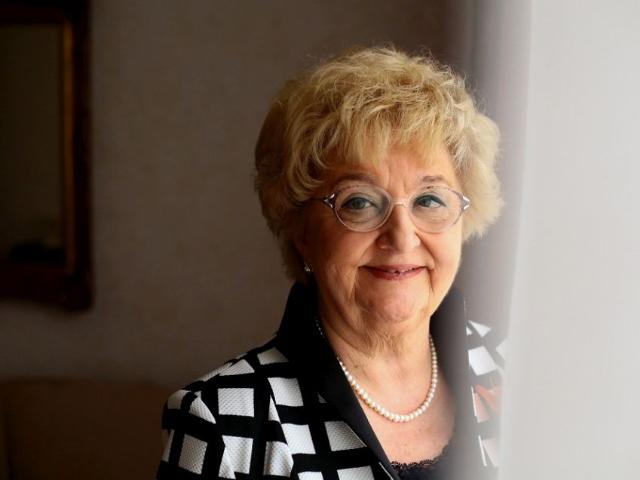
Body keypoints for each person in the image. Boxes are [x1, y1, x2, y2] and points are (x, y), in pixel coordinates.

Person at [155, 46, 504, 480]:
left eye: (429, 200)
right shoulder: (224, 424)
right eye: (360, 202)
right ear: (301, 231)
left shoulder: (521, 370)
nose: (402, 236)